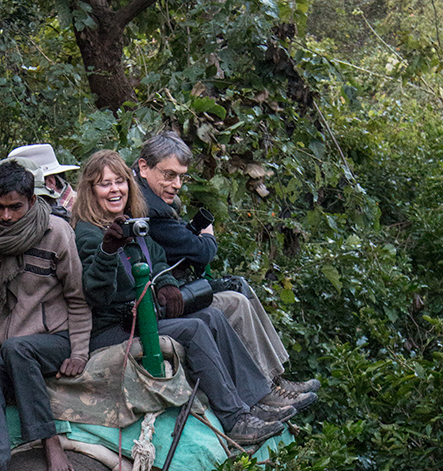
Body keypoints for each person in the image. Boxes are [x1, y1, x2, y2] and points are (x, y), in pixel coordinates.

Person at [72, 150, 294, 447]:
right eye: (104, 184)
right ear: (90, 191)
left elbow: (159, 259)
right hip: (114, 327)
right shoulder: (88, 234)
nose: (115, 189)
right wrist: (108, 250)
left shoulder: (133, 223)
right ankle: (234, 419)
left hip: (147, 316)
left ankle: (256, 399)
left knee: (212, 315)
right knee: (194, 328)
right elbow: (97, 294)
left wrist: (166, 284)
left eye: (119, 182)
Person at [134, 131, 320, 409]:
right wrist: (206, 236)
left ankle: (277, 378)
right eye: (169, 175)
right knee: (235, 302)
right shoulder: (147, 206)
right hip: (161, 298)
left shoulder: (154, 197)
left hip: (172, 285)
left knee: (238, 286)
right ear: (143, 166)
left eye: (181, 176)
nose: (177, 184)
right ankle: (268, 386)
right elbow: (201, 250)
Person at [0, 158, 92, 471]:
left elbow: (77, 295)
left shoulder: (56, 233)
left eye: (15, 207)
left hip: (53, 338)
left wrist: (79, 351)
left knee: (18, 349)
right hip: (7, 342)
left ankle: (50, 439)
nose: (5, 216)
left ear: (32, 201)